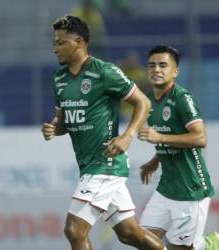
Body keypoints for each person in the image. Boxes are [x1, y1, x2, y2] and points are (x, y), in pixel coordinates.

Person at [41, 15, 166, 250]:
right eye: (54, 43)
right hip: (89, 164)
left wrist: (127, 136)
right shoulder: (59, 78)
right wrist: (53, 128)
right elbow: (63, 123)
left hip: (105, 162)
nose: (55, 48)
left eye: (61, 43)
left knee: (74, 230)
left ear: (79, 42)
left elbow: (143, 103)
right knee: (130, 234)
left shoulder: (105, 72)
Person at [137, 45, 219, 250]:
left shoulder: (183, 98)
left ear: (175, 71)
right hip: (167, 187)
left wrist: (159, 137)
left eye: (163, 65)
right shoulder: (150, 102)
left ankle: (206, 245)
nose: (156, 69)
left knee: (180, 248)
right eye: (152, 65)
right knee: (144, 241)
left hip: (190, 187)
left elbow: (200, 138)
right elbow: (169, 135)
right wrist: (154, 161)